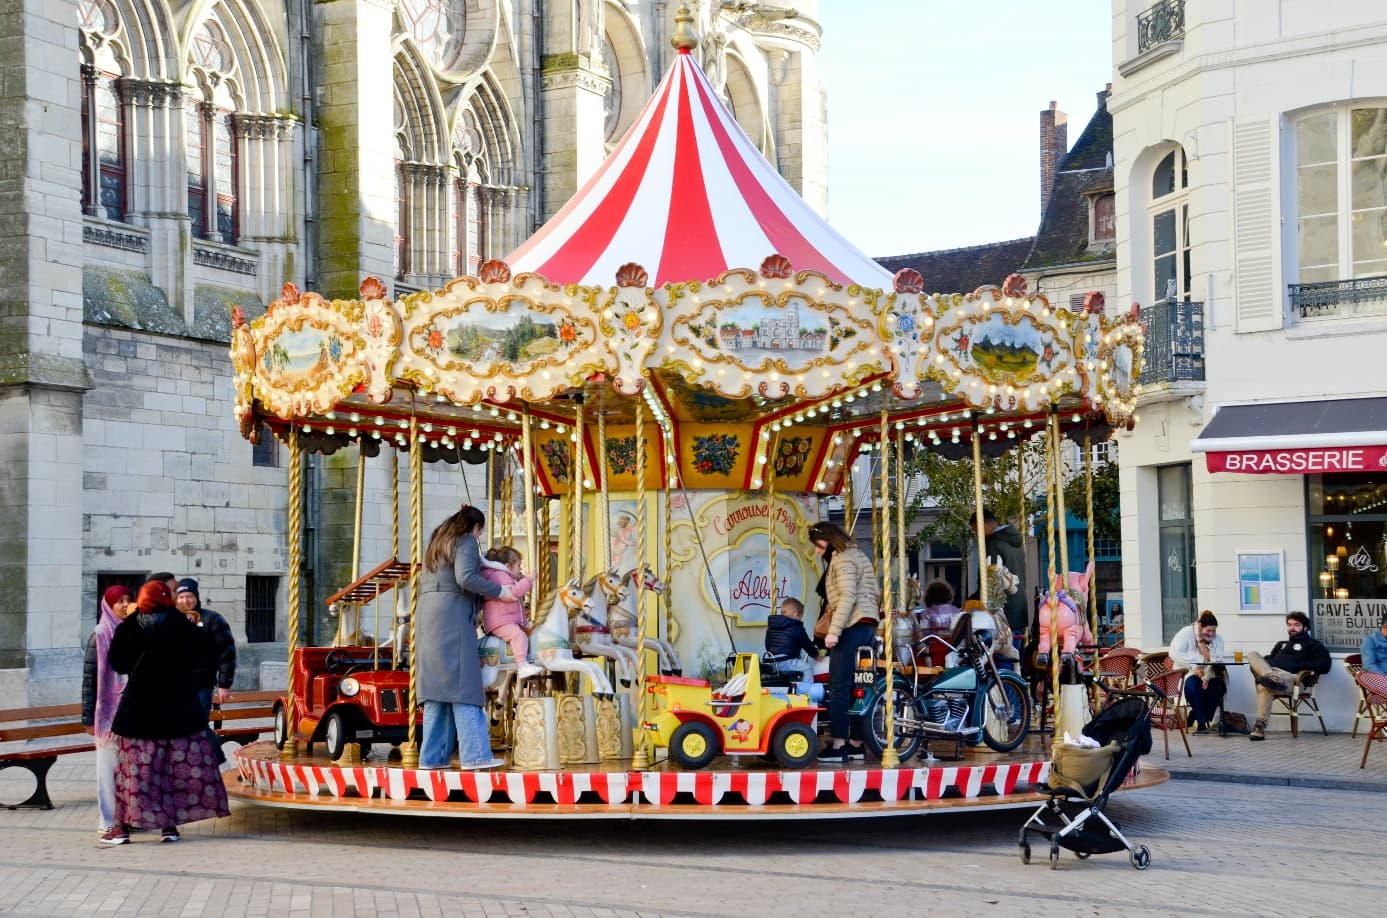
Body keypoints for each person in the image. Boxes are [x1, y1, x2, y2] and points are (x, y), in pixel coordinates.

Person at [104, 581, 228, 844]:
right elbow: (202, 657)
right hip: (179, 714)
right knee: (172, 772)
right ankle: (168, 828)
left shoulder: (130, 627)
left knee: (134, 773)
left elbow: (119, 662)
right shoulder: (184, 626)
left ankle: (122, 828)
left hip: (140, 715)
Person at [416, 504, 510, 770]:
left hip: (428, 615)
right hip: (452, 616)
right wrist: (499, 591)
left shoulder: (438, 540)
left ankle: (432, 758)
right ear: (475, 527)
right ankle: (475, 754)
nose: (479, 537)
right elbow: (466, 577)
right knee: (463, 687)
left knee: (437, 691)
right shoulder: (466, 539)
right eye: (480, 531)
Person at [808, 521, 881, 763]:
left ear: (827, 540)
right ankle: (857, 744)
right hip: (866, 627)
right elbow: (874, 594)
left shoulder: (843, 560)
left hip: (851, 627)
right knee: (861, 685)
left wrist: (834, 631)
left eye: (817, 545)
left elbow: (848, 597)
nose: (817, 551)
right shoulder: (858, 556)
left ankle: (838, 745)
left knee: (839, 686)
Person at [81, 585, 134, 839]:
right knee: (107, 772)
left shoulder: (132, 632)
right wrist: (89, 717)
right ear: (108, 605)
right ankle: (107, 822)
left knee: (128, 772)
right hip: (106, 718)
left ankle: (126, 820)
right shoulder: (100, 635)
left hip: (131, 716)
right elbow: (90, 679)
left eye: (128, 600)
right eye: (119, 601)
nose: (124, 605)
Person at [175, 578, 236, 765]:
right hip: (177, 685)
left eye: (190, 596)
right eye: (182, 597)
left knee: (198, 725)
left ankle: (219, 762)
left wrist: (224, 685)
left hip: (201, 683)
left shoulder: (212, 619)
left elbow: (227, 652)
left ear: (196, 597)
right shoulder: (173, 620)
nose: (186, 601)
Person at [1247, 611, 1332, 741]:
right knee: (1253, 655)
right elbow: (1268, 660)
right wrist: (1271, 668)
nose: (1292, 628)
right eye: (1290, 624)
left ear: (1305, 627)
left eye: (1296, 625)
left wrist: (1299, 665)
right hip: (1275, 675)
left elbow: (1325, 665)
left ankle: (1259, 726)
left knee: (1265, 685)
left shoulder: (1313, 645)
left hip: (1295, 680)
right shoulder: (1281, 644)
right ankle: (1271, 677)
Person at [479, 546, 542, 680]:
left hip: (506, 619)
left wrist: (521, 580)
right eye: (519, 565)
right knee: (518, 635)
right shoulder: (499, 575)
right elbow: (513, 593)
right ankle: (523, 665)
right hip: (500, 621)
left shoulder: (504, 576)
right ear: (508, 565)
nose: (520, 569)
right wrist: (528, 580)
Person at [970, 508, 1029, 641]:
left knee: (1000, 656)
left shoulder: (993, 544)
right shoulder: (1014, 543)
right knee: (1014, 655)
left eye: (975, 530)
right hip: (1018, 607)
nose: (976, 534)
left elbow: (992, 579)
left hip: (1002, 610)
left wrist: (974, 600)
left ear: (982, 524)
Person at [1169, 611, 1227, 733]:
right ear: (1200, 626)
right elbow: (1174, 652)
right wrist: (1194, 665)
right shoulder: (1186, 633)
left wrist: (1206, 678)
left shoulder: (1218, 639)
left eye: (1214, 631)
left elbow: (1217, 661)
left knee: (1219, 687)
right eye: (1208, 630)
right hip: (1187, 671)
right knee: (1194, 685)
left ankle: (1196, 714)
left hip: (1209, 673)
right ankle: (1201, 724)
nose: (1211, 634)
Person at [764, 597, 818, 682]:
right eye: (801, 616)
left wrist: (774, 654)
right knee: (807, 668)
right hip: (786, 660)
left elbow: (768, 643)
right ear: (796, 614)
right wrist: (816, 655)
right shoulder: (796, 627)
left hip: (772, 661)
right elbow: (806, 644)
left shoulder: (772, 626)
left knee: (795, 666)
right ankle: (807, 692)